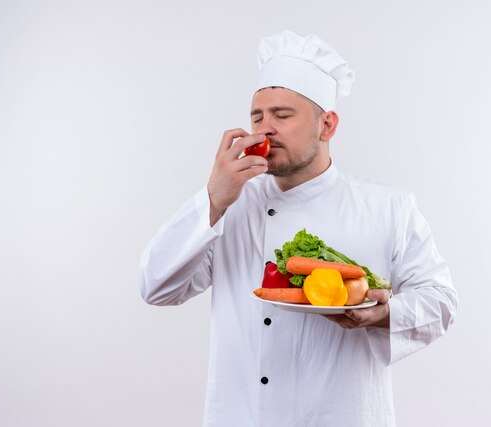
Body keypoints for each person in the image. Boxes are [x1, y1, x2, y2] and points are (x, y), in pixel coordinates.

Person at [139, 30, 457, 427]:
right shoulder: (229, 207)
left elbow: (442, 302)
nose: (265, 128)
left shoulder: (388, 207)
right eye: (257, 116)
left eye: (283, 115)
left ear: (327, 125)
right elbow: (155, 287)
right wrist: (213, 199)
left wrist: (385, 313)